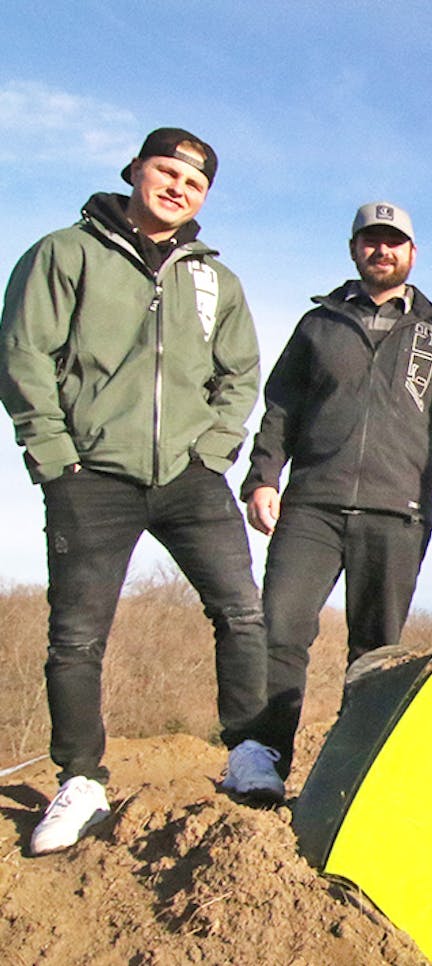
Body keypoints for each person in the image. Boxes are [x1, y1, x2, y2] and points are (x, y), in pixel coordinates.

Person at [0, 127, 278, 854]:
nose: (178, 186)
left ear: (204, 197)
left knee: (242, 612)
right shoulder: (66, 252)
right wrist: (56, 457)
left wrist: (214, 451)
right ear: (135, 171)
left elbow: (240, 373)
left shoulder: (218, 280)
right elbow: (24, 353)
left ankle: (248, 753)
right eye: (166, 170)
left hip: (189, 477)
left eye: (195, 181)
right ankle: (81, 779)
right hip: (91, 476)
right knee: (76, 636)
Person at [240, 201, 432, 789]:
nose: (382, 251)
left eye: (394, 242)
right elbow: (281, 408)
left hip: (397, 512)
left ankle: (352, 777)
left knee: (376, 652)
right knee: (280, 628)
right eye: (371, 241)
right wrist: (264, 476)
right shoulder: (318, 325)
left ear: (412, 253)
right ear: (354, 249)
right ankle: (263, 761)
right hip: (311, 506)